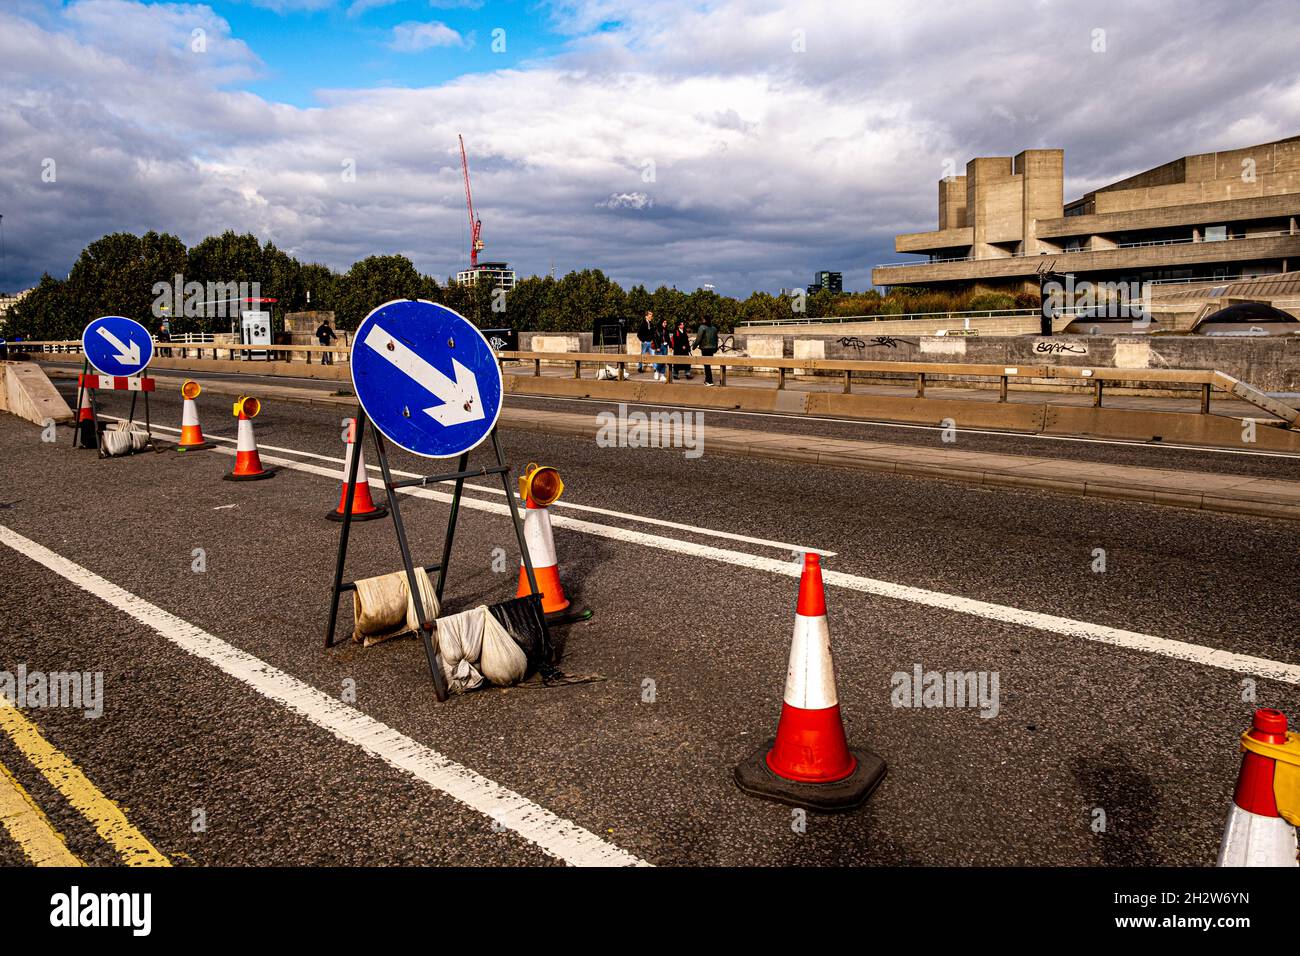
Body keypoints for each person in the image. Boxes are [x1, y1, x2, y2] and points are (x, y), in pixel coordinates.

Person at [693, 314, 719, 386]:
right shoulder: (714, 328)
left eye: (703, 319)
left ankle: (709, 380)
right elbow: (716, 339)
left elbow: (698, 339)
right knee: (708, 365)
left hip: (705, 348)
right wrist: (716, 348)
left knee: (706, 365)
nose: (702, 320)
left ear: (705, 320)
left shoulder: (702, 327)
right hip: (712, 348)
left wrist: (693, 347)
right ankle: (709, 380)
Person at [653, 317, 670, 382]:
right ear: (661, 323)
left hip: (665, 346)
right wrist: (657, 347)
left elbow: (668, 338)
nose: (665, 324)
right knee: (660, 361)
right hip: (659, 346)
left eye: (666, 323)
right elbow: (655, 339)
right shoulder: (657, 329)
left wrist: (670, 345)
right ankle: (657, 371)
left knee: (664, 361)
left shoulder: (666, 330)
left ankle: (662, 375)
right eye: (664, 323)